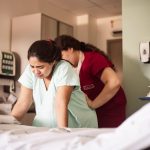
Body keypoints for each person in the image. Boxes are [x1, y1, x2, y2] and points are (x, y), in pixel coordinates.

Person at [11, 40, 98, 128]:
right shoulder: (31, 71)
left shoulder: (64, 68)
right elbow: (23, 102)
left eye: (41, 67)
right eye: (32, 66)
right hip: (47, 125)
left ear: (53, 61)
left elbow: (61, 103)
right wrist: (9, 124)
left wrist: (63, 132)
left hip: (79, 124)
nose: (36, 71)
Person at [55, 35, 127, 128]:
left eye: (61, 56)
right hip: (94, 110)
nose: (62, 61)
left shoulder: (92, 59)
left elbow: (114, 82)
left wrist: (93, 105)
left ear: (70, 49)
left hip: (110, 107)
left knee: (109, 138)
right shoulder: (72, 68)